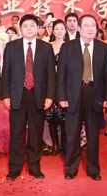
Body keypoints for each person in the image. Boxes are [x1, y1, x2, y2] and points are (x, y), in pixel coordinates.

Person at [57, 15, 107, 180]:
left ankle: (93, 169)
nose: (90, 29)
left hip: (95, 94)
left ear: (97, 29)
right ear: (79, 28)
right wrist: (61, 96)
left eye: (93, 25)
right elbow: (61, 74)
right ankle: (70, 169)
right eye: (86, 25)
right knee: (72, 135)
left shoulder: (103, 48)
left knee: (93, 135)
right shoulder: (67, 47)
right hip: (73, 95)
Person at [2, 14, 56, 180]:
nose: (29, 29)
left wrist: (50, 96)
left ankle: (34, 166)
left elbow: (51, 74)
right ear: (20, 29)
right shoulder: (11, 47)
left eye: (32, 25)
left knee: (35, 133)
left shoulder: (46, 48)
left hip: (38, 96)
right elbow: (6, 73)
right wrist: (6, 95)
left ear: (38, 28)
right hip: (17, 96)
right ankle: (15, 167)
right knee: (16, 134)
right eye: (25, 26)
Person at [45, 20, 67, 155]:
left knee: (65, 117)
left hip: (65, 85)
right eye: (56, 28)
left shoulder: (70, 46)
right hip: (50, 84)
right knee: (51, 116)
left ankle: (64, 144)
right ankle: (55, 144)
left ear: (65, 30)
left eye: (61, 28)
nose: (59, 31)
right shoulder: (47, 46)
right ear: (52, 31)